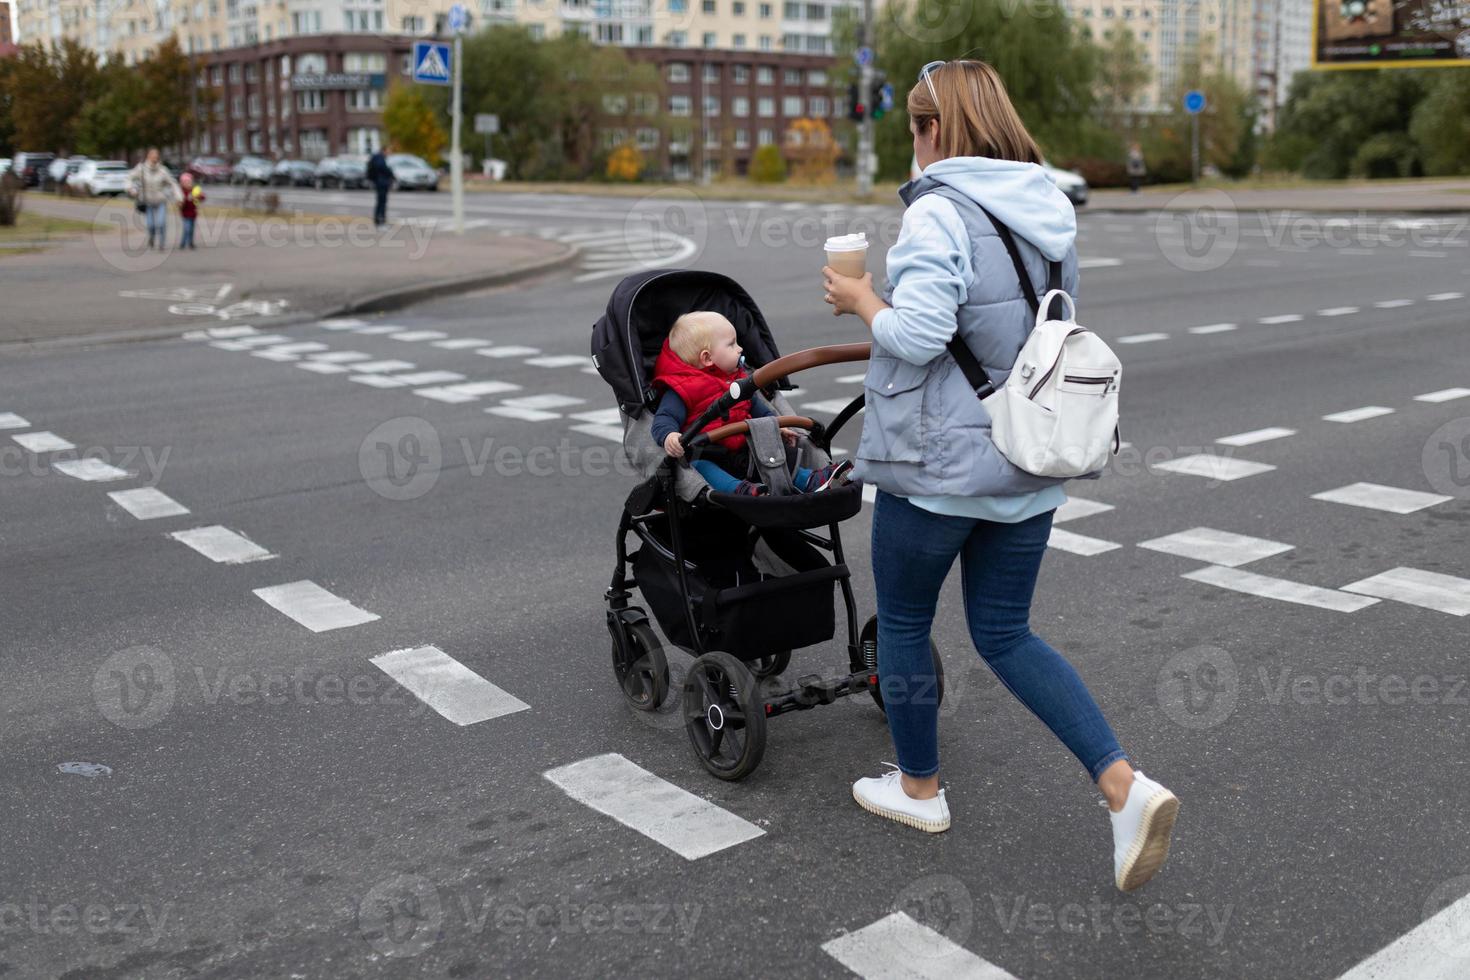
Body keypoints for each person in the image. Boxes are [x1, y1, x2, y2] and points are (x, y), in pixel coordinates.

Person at [820, 60, 1179, 892]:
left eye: (913, 131)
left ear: (935, 131)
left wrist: (859, 297)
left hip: (940, 465)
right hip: (1026, 462)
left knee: (906, 624)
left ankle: (919, 790)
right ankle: (1124, 788)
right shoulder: (1049, 210)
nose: (912, 148)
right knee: (1007, 633)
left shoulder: (939, 210)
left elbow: (916, 334)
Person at [652, 311, 852, 496]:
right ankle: (742, 492)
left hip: (746, 450)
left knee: (774, 452)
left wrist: (777, 426)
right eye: (731, 344)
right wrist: (670, 436)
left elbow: (761, 411)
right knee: (701, 468)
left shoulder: (740, 382)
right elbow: (664, 418)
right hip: (709, 453)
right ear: (707, 358)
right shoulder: (682, 389)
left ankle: (809, 479)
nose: (740, 348)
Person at [127, 148, 181, 250]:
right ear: (148, 156)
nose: (155, 158)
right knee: (151, 225)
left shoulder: (163, 170)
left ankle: (162, 243)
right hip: (147, 201)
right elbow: (129, 177)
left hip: (160, 200)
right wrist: (130, 188)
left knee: (161, 223)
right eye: (153, 156)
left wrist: (179, 198)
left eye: (156, 156)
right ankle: (151, 237)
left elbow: (173, 183)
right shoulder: (141, 169)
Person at [367, 144, 393, 227]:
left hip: (379, 182)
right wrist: (390, 173)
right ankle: (380, 221)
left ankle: (379, 220)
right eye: (388, 150)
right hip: (381, 183)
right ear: (384, 150)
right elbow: (382, 168)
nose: (389, 152)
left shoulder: (378, 157)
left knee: (381, 202)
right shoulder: (379, 158)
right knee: (381, 202)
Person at [178, 172, 205, 249]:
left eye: (189, 182)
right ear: (182, 183)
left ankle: (191, 242)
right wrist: (185, 200)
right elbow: (180, 202)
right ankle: (183, 243)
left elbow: (202, 197)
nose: (188, 184)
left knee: (191, 229)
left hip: (193, 213)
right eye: (185, 182)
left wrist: (199, 196)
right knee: (187, 228)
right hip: (185, 213)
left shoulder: (194, 190)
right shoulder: (182, 192)